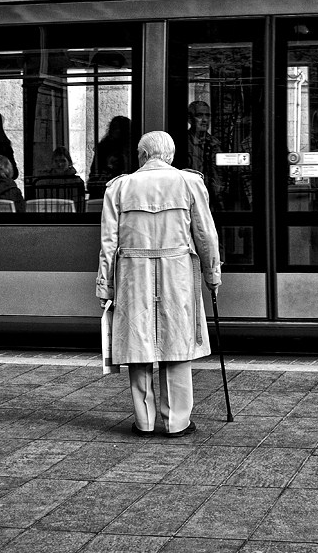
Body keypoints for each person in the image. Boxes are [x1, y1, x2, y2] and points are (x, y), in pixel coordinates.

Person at [96, 131, 221, 437]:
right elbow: (206, 235)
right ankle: (176, 421)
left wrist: (104, 286)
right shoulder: (189, 182)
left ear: (142, 156)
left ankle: (145, 421)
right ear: (170, 155)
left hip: (131, 275)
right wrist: (212, 274)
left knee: (137, 343)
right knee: (176, 344)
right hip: (176, 272)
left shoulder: (119, 187)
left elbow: (108, 243)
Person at [187, 101, 225, 210]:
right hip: (189, 199)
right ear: (190, 119)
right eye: (199, 115)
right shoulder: (182, 144)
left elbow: (220, 175)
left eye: (207, 116)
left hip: (212, 200)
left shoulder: (215, 144)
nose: (204, 120)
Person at [88, 116, 131, 199]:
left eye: (119, 128)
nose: (116, 131)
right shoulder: (103, 147)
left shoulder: (130, 149)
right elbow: (95, 170)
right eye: (114, 128)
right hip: (106, 189)